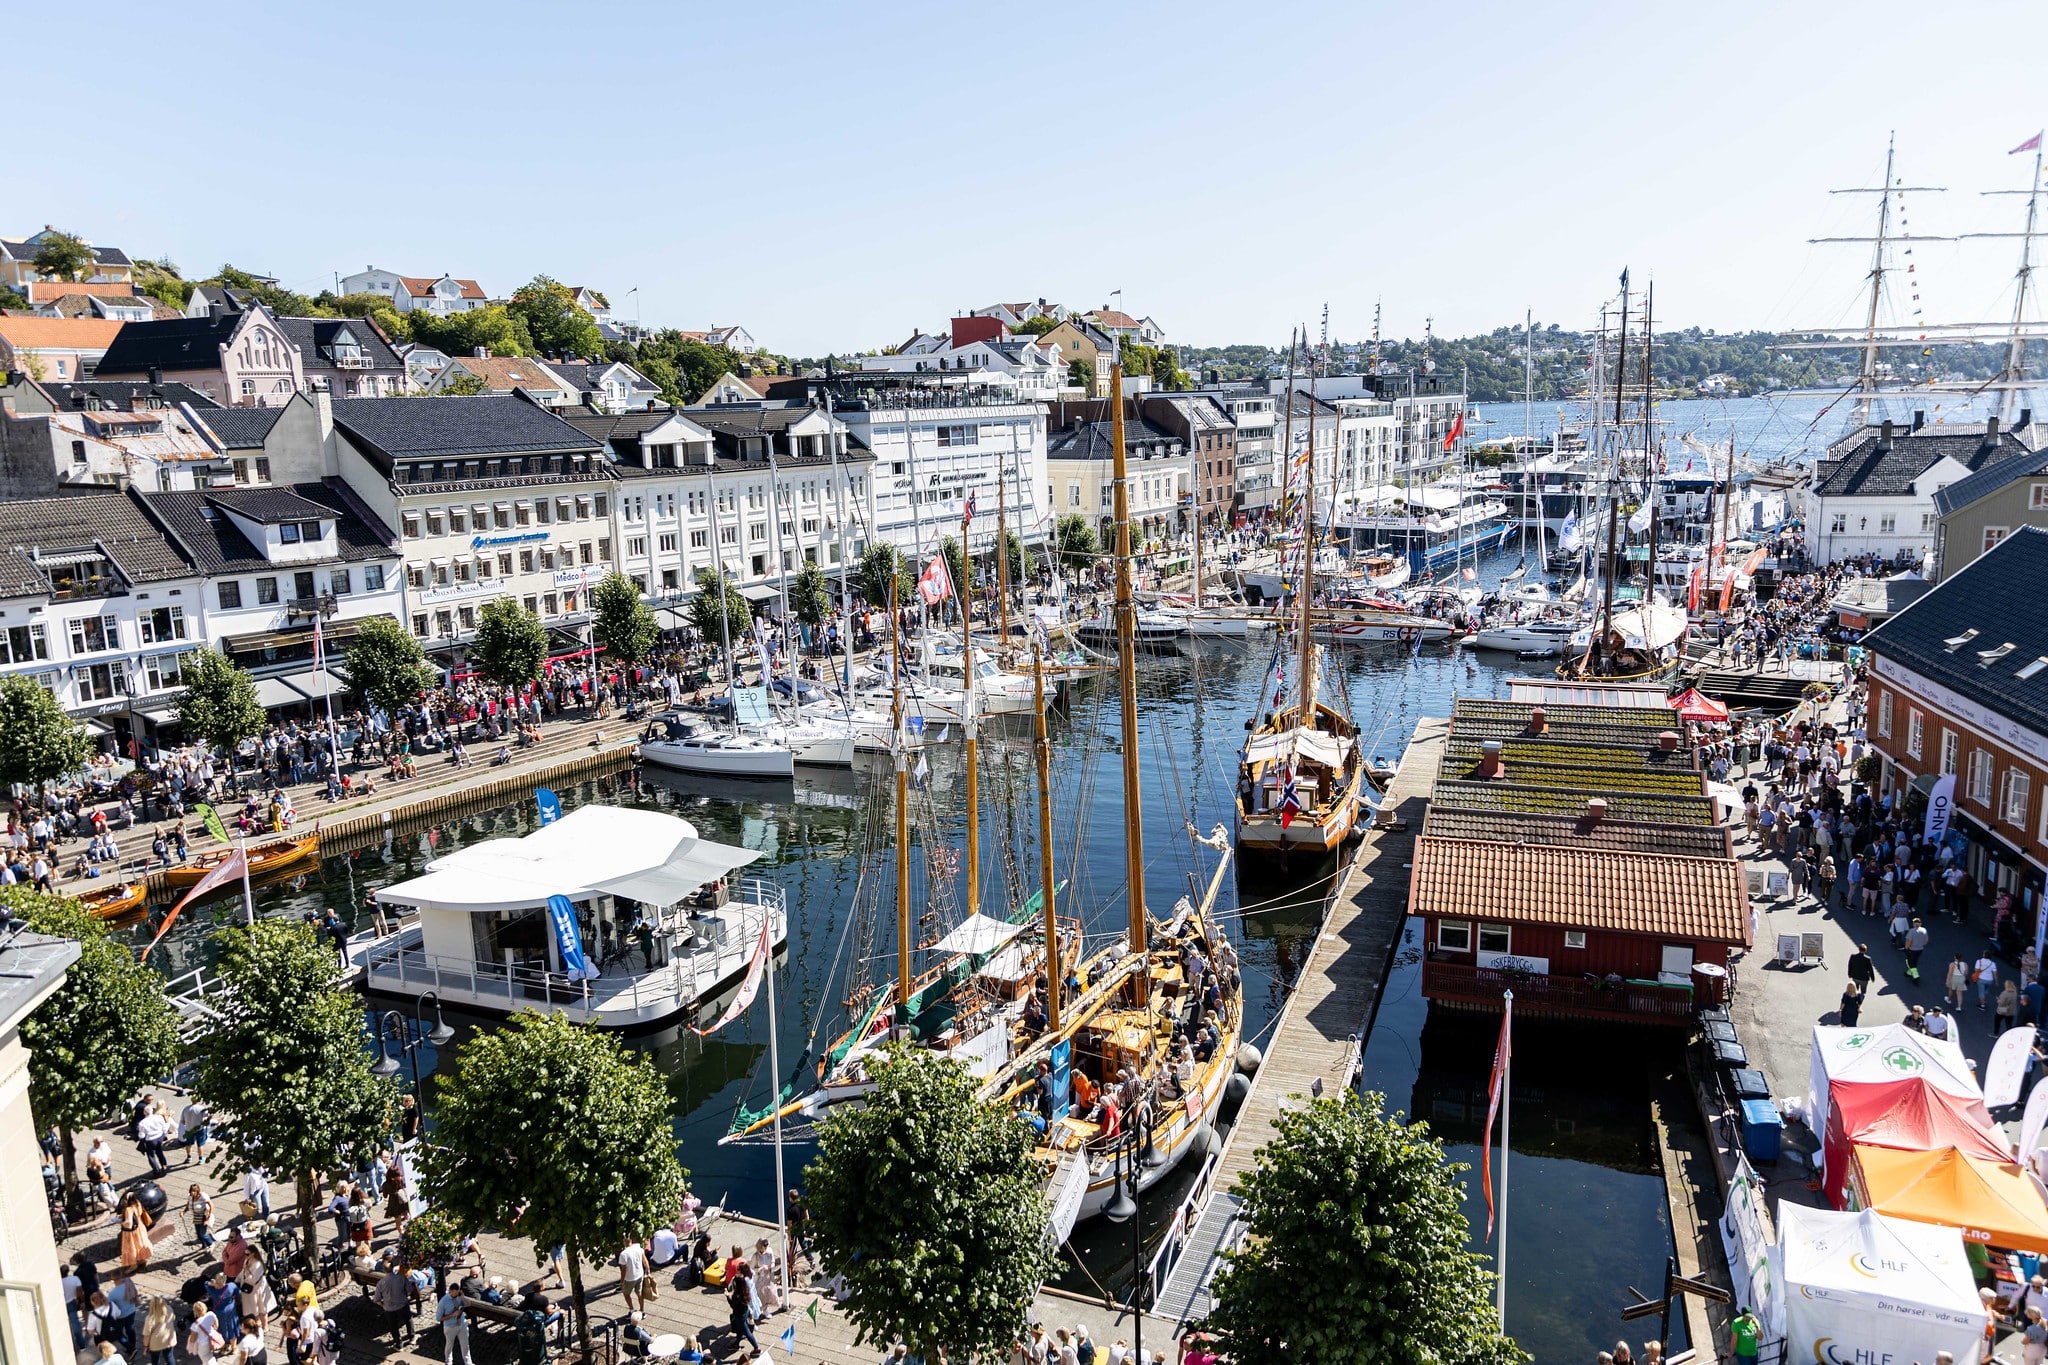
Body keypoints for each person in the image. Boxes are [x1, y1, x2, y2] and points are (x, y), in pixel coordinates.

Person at [375, 1263, 413, 1344]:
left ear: (383, 1270)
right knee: (408, 1320)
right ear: (393, 1268)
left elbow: (377, 1300)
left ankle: (399, 1344)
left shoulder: (380, 1283)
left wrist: (383, 1305)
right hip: (402, 1304)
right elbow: (409, 1290)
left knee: (393, 1325)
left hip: (389, 1308)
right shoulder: (402, 1277)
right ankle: (412, 1337)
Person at [117, 1191, 153, 1270]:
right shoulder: (138, 1204)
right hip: (140, 1227)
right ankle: (142, 1260)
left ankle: (133, 1265)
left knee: (130, 1248)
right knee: (139, 1245)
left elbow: (129, 1223)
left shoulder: (128, 1209)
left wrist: (121, 1222)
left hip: (131, 1232)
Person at [437, 1283, 468, 1365]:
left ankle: (468, 1363)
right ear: (451, 1291)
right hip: (450, 1326)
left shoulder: (459, 1296)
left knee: (465, 1345)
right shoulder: (443, 1302)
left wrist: (463, 1298)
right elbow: (438, 1318)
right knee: (449, 1345)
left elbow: (468, 1304)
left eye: (458, 1292)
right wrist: (452, 1315)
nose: (457, 1294)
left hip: (461, 1323)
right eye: (456, 1292)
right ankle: (448, 1361)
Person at [615, 1238, 648, 1313]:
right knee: (639, 1293)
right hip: (639, 1274)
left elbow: (624, 1270)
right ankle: (642, 1310)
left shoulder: (623, 1254)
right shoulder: (638, 1247)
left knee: (626, 1294)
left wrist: (622, 1282)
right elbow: (644, 1260)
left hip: (630, 1278)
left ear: (624, 1242)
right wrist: (647, 1271)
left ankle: (632, 1310)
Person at [141, 1298, 177, 1365]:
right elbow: (173, 1318)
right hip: (169, 1338)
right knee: (169, 1356)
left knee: (155, 1359)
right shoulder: (169, 1309)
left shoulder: (149, 1318)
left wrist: (145, 1346)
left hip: (156, 1342)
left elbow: (147, 1335)